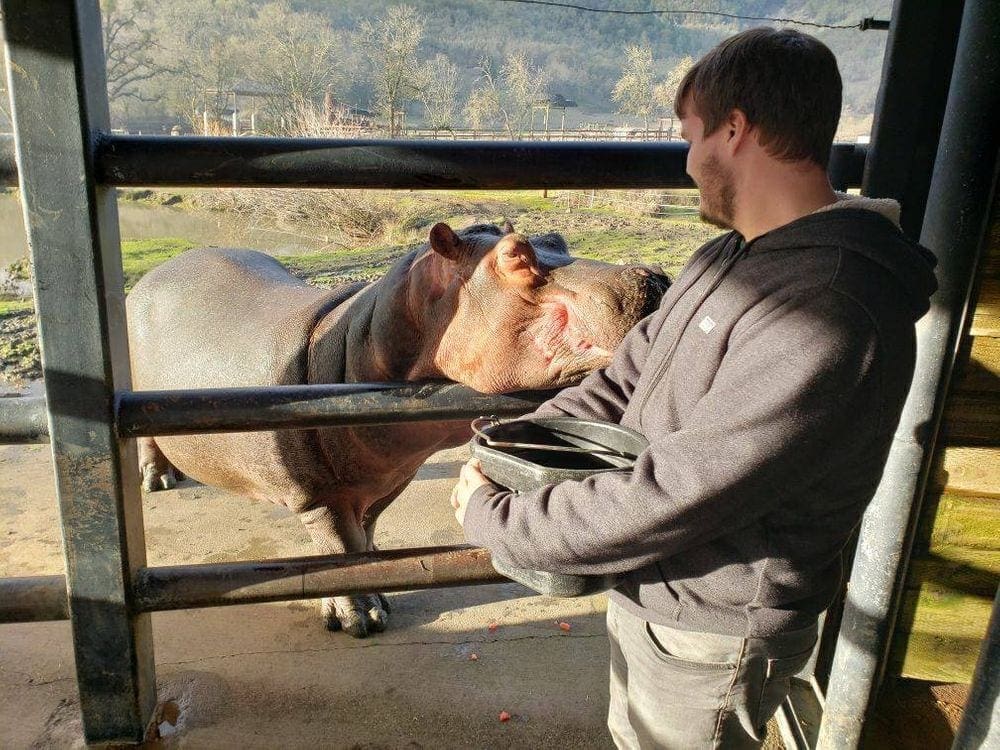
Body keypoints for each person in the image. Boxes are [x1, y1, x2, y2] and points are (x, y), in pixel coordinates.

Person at [449, 27, 937, 750]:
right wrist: (514, 446)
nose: (686, 162)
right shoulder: (729, 258)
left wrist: (499, 520)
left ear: (735, 130)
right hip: (663, 587)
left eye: (690, 136)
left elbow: (677, 489)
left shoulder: (828, 311)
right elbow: (626, 378)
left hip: (714, 624)